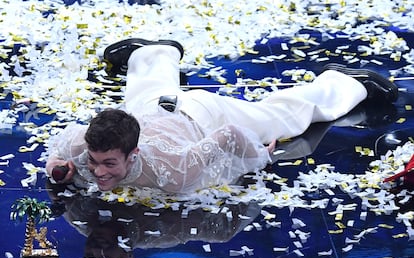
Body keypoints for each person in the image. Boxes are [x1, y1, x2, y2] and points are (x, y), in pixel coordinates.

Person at [45, 38, 398, 193]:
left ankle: (345, 83)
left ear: (133, 154)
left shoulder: (178, 169)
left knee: (276, 119)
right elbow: (58, 149)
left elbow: (228, 136)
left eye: (108, 164)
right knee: (141, 97)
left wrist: (261, 156)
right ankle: (156, 51)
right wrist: (58, 167)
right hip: (147, 114)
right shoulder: (85, 146)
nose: (98, 170)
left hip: (201, 115)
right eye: (96, 161)